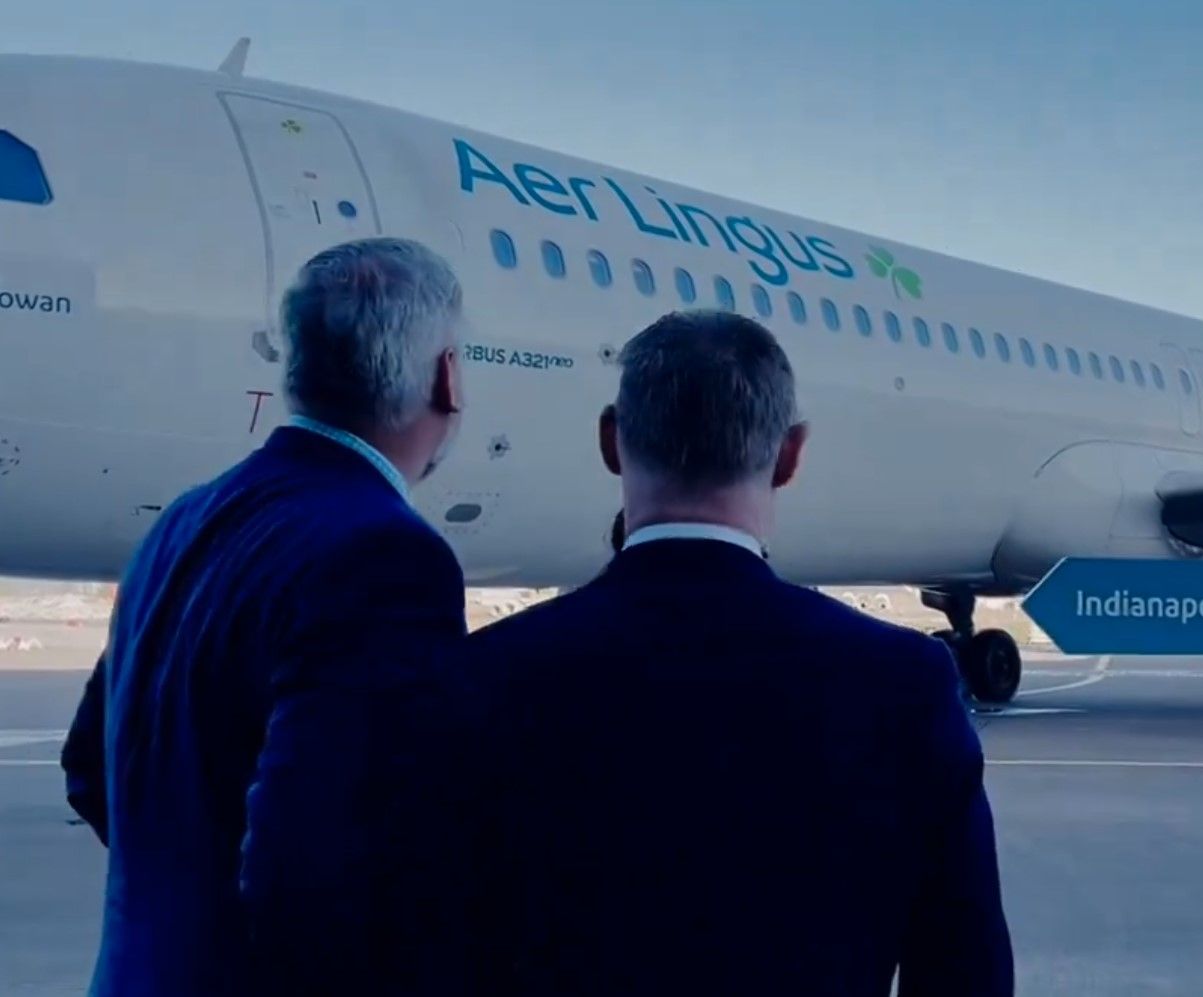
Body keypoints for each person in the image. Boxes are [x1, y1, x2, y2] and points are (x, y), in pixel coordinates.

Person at [461, 309, 1014, 995]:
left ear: (612, 441)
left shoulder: (476, 678)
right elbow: (965, 970)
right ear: (789, 454)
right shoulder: (904, 683)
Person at [60, 237, 471, 997]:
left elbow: (88, 768)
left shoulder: (182, 520)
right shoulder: (388, 555)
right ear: (447, 377)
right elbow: (320, 860)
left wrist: (187, 903)